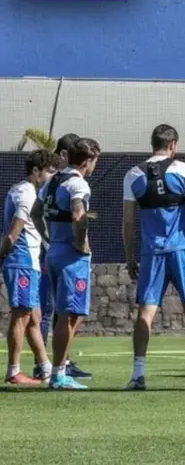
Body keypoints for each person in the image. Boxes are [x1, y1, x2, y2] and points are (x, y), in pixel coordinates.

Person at [121, 124, 185, 390]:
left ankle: (137, 376)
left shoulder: (133, 174)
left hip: (151, 253)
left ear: (152, 143)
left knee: (146, 312)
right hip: (183, 251)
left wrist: (130, 257)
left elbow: (128, 223)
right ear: (173, 144)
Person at [40, 137, 100, 390]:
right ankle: (58, 374)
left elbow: (35, 212)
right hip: (70, 257)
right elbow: (78, 215)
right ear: (88, 160)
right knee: (69, 314)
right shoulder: (78, 184)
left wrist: (48, 238)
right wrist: (80, 243)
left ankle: (60, 369)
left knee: (70, 315)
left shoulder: (53, 181)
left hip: (54, 251)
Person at [2, 149, 59, 385]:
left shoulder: (22, 190)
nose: (52, 177)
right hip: (22, 261)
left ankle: (46, 368)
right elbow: (14, 232)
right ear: (36, 171)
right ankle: (14, 371)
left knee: (34, 316)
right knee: (22, 315)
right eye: (49, 171)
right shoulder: (26, 194)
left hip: (29, 261)